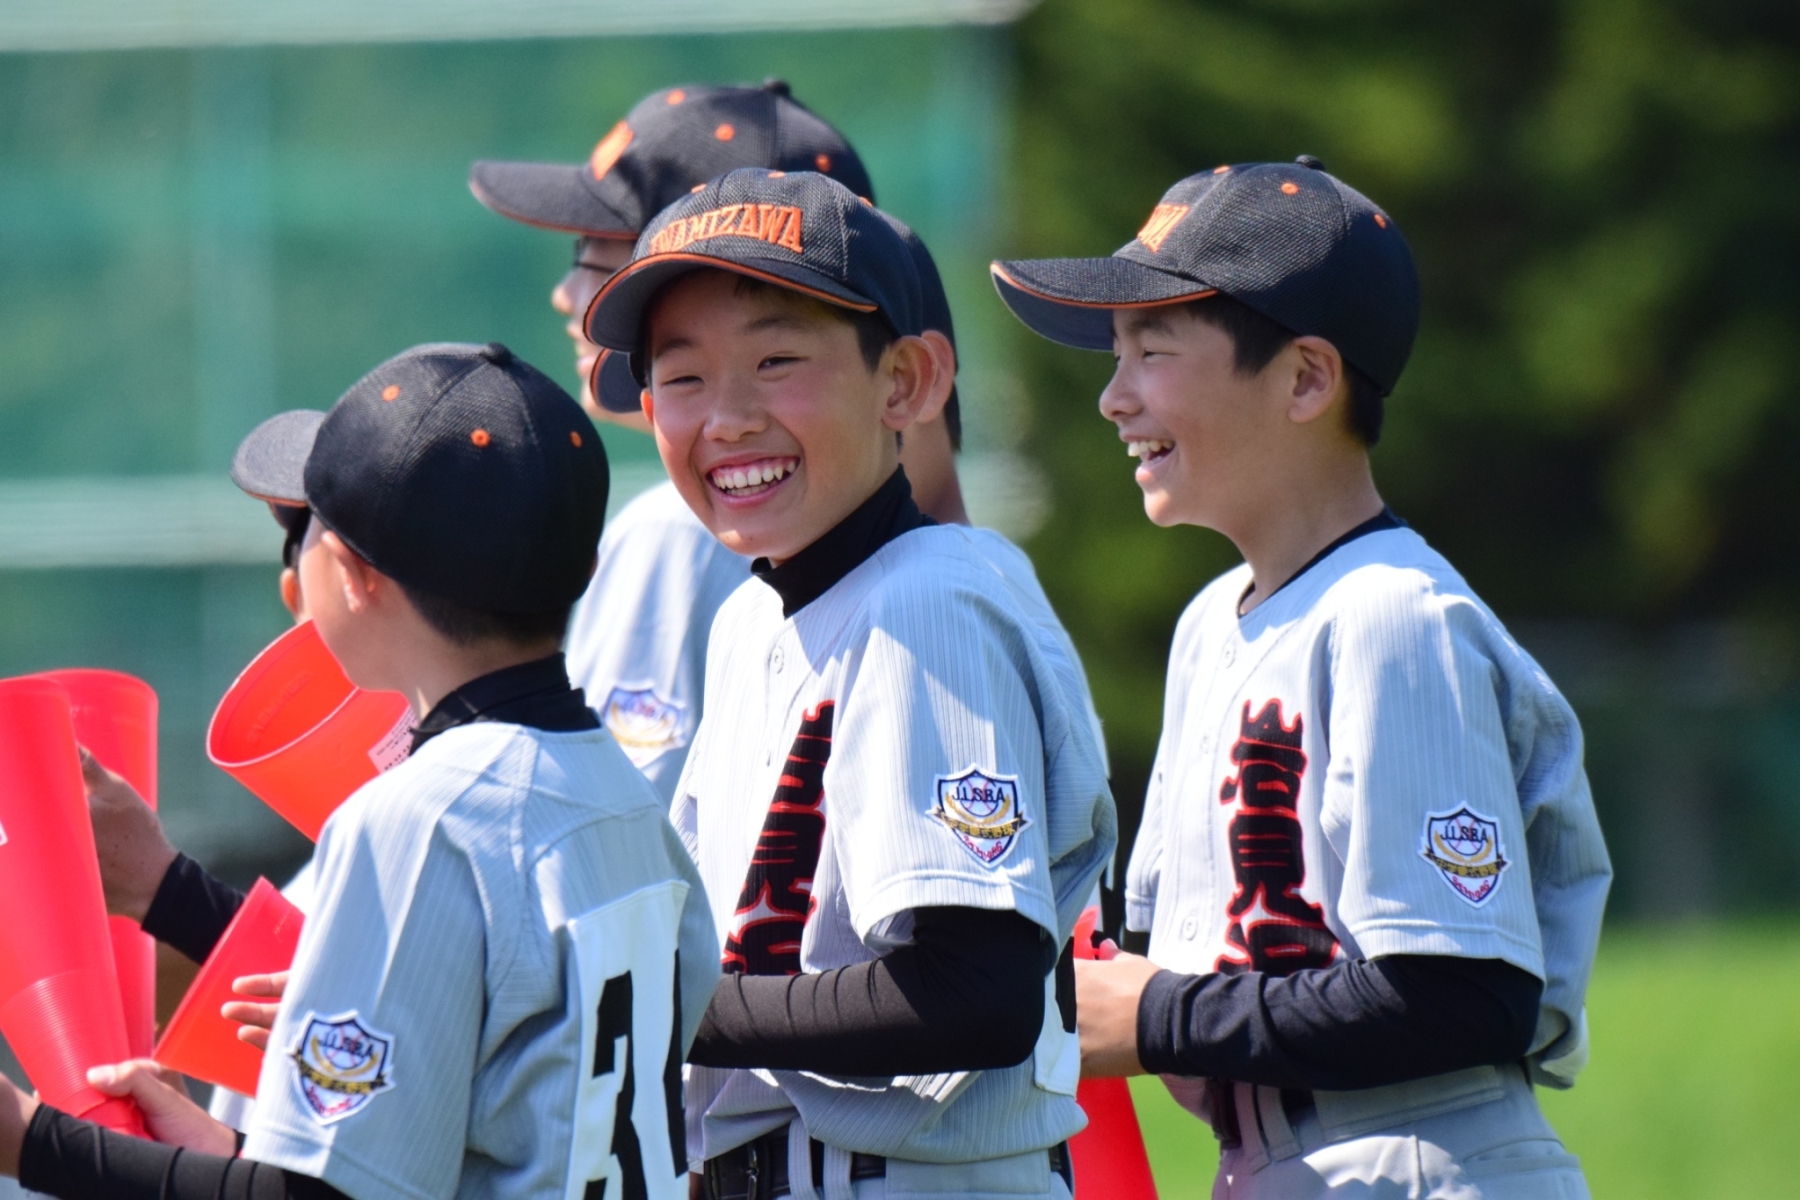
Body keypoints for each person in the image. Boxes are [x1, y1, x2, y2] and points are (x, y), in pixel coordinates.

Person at [990, 158, 1613, 1197]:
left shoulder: (1392, 615)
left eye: (1153, 350)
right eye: (1116, 354)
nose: (1113, 396)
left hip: (1419, 1154)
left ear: (1307, 379)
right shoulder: (1211, 624)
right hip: (1278, 1162)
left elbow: (1466, 994)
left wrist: (1158, 1016)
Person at [0, 342, 719, 1200]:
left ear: (348, 576)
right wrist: (227, 1148)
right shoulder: (627, 799)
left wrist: (32, 1142)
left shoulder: (417, 819)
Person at [585, 168, 1117, 1200]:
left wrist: (643, 1004)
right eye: (683, 377)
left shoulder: (929, 597)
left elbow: (973, 992)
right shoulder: (752, 618)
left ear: (907, 382)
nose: (727, 417)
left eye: (776, 360)